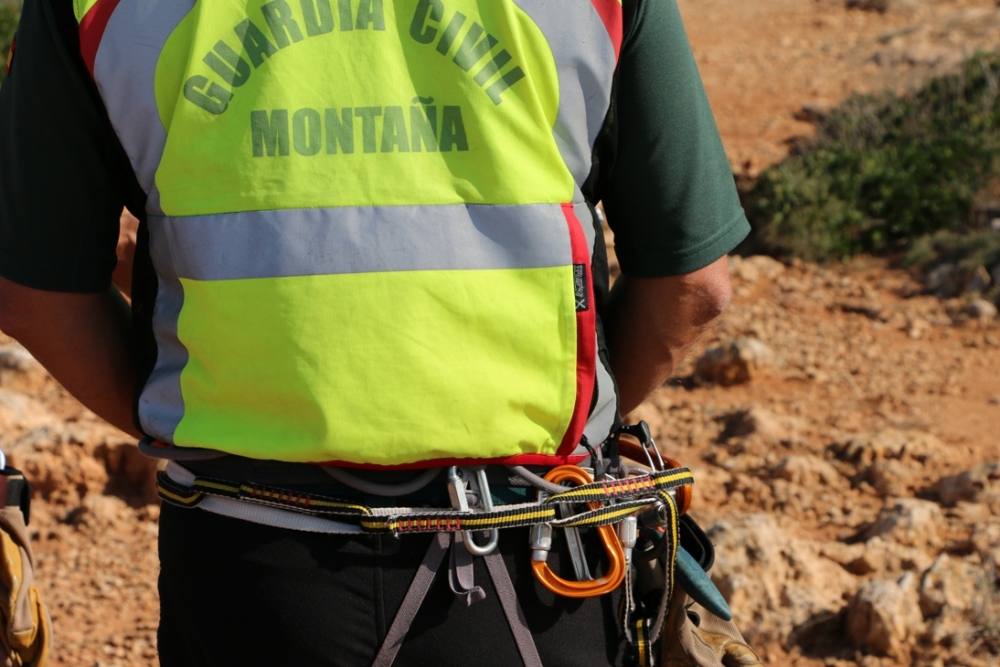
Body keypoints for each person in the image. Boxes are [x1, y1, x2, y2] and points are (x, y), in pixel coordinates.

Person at [0, 0, 750, 663]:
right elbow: (694, 284)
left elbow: (35, 294)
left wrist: (187, 408)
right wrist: (580, 424)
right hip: (535, 555)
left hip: (246, 558)